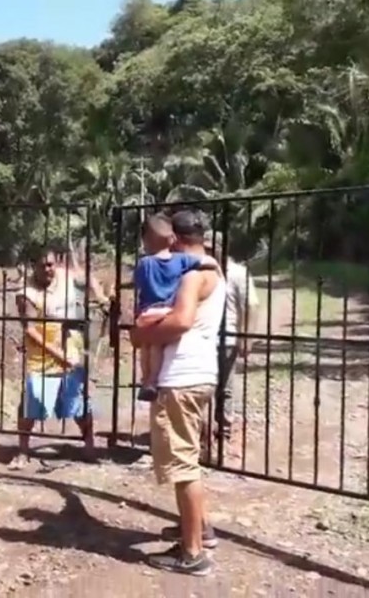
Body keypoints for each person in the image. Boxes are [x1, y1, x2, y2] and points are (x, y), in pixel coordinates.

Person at [130, 210, 226, 576]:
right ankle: (199, 530)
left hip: (182, 376)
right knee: (187, 459)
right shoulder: (210, 267)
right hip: (198, 373)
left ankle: (192, 553)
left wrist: (139, 335)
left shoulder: (192, 275)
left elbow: (180, 321)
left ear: (174, 239)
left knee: (183, 465)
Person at [9, 243, 109, 470]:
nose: (48, 270)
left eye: (51, 264)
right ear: (33, 266)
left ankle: (89, 445)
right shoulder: (26, 294)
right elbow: (31, 330)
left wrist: (101, 298)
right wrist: (58, 354)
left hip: (71, 346)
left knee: (78, 401)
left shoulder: (65, 277)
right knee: (32, 402)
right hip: (43, 353)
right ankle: (23, 450)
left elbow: (88, 278)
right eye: (43, 265)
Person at [133, 214, 217, 402]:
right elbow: (206, 262)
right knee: (156, 347)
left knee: (147, 346)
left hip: (147, 312)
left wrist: (137, 335)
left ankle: (146, 379)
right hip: (166, 310)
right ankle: (152, 379)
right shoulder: (182, 262)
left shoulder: (145, 263)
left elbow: (181, 323)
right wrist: (216, 265)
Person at [204, 231, 259, 440]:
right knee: (204, 384)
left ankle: (224, 427)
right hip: (205, 336)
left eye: (211, 248)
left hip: (227, 338)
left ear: (222, 248)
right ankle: (206, 428)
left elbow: (250, 306)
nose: (207, 252)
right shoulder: (201, 270)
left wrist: (246, 337)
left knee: (225, 385)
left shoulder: (237, 273)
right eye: (205, 247)